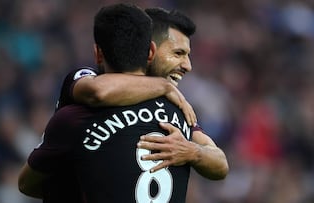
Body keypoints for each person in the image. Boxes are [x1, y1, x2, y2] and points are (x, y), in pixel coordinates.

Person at [19, 3, 194, 202]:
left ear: (98, 53)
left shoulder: (74, 117)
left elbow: (26, 184)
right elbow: (219, 166)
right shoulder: (179, 113)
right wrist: (165, 86)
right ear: (151, 52)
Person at [56, 7, 228, 178]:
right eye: (178, 53)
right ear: (149, 50)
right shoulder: (90, 78)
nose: (188, 66)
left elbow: (220, 163)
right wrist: (163, 85)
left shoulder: (172, 105)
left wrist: (192, 151)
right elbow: (98, 91)